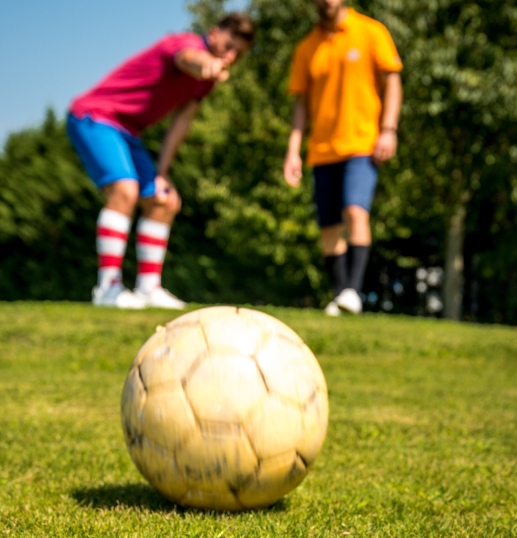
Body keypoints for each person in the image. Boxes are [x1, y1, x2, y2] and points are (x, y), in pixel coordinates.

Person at [67, 14, 254, 309]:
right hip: (96, 116)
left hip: (129, 131)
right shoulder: (183, 43)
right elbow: (189, 59)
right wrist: (207, 65)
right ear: (215, 33)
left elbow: (181, 124)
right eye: (228, 46)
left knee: (163, 200)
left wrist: (162, 174)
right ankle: (107, 287)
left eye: (238, 53)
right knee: (124, 191)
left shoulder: (204, 85)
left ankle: (148, 288)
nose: (230, 56)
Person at [283, 0, 402, 315]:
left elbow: (392, 81)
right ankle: (340, 295)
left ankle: (352, 290)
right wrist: (293, 150)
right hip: (322, 148)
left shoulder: (371, 32)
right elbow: (300, 105)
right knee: (329, 227)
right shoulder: (307, 47)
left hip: (362, 142)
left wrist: (388, 129)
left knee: (354, 210)